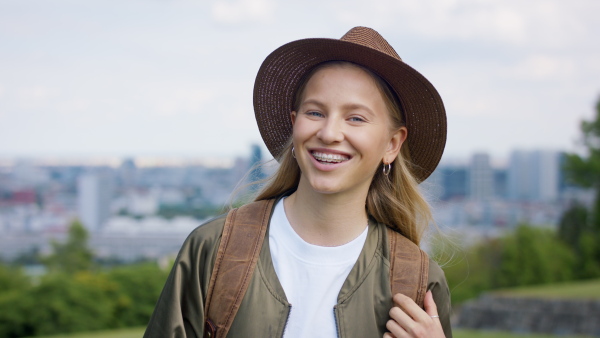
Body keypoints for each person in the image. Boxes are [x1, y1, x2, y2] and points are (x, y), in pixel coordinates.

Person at [144, 26, 451, 338]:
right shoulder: (214, 251)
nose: (330, 133)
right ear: (295, 125)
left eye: (355, 118)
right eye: (315, 112)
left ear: (392, 144)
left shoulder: (416, 281)